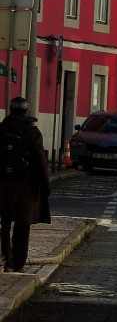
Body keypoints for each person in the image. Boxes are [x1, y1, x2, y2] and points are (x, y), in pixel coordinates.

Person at [0, 97, 50, 273]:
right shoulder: (32, 132)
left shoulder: (1, 128)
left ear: (10, 109)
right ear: (26, 111)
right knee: (22, 224)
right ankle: (18, 263)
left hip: (2, 184)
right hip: (25, 186)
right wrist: (45, 185)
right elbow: (40, 162)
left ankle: (6, 259)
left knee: (4, 223)